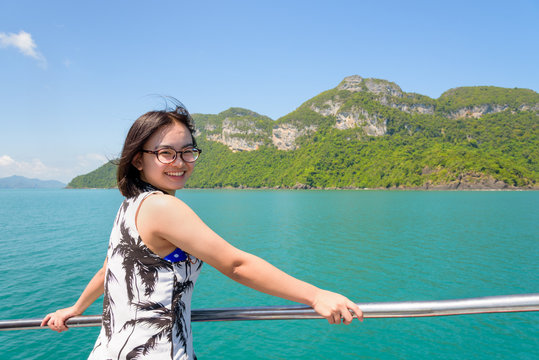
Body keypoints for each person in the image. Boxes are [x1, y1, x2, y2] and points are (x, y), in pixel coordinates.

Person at [41, 102, 363, 359]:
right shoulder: (163, 208)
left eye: (187, 151)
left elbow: (109, 268)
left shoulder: (130, 205)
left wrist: (76, 308)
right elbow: (236, 264)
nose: (180, 161)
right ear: (139, 160)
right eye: (166, 153)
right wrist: (315, 295)